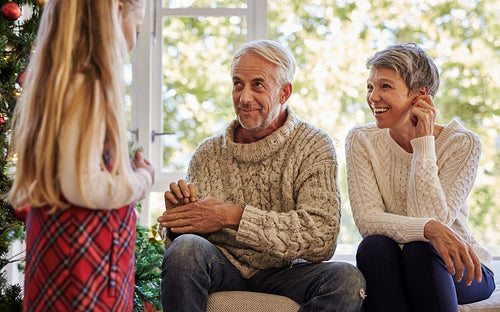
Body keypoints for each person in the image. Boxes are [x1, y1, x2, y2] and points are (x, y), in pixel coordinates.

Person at [157, 39, 366, 312]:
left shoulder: (313, 145)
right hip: (223, 268)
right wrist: (178, 224)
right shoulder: (207, 153)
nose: (244, 97)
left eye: (257, 84)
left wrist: (231, 216)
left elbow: (321, 238)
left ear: (284, 92)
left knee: (347, 280)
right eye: (237, 83)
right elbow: (191, 247)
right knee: (184, 249)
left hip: (286, 272)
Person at [6, 0, 154, 311]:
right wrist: (142, 180)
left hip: (61, 252)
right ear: (114, 12)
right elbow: (84, 187)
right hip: (85, 261)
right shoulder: (87, 86)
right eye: (136, 29)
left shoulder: (58, 83)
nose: (132, 41)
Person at [345, 42, 496, 312]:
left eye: (385, 87)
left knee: (420, 251)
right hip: (395, 261)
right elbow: (367, 220)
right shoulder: (361, 139)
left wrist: (423, 144)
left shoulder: (462, 144)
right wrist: (427, 228)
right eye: (370, 86)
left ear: (420, 94)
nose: (373, 97)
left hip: (457, 265)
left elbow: (434, 226)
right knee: (373, 247)